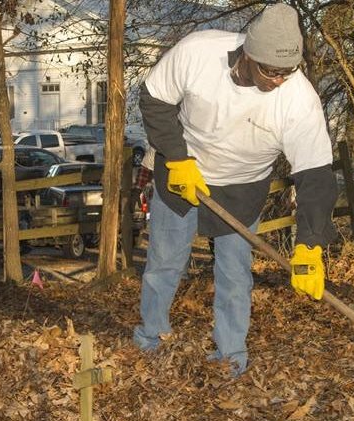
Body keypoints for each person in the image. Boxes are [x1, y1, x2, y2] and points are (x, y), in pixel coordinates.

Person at [133, 3, 338, 376]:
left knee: (234, 275)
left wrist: (311, 243)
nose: (279, 80)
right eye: (272, 71)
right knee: (163, 262)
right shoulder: (198, 52)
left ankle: (230, 355)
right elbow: (154, 99)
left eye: (288, 71)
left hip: (243, 189)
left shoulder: (298, 100)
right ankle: (150, 337)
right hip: (182, 174)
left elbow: (316, 177)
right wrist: (177, 158)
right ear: (248, 54)